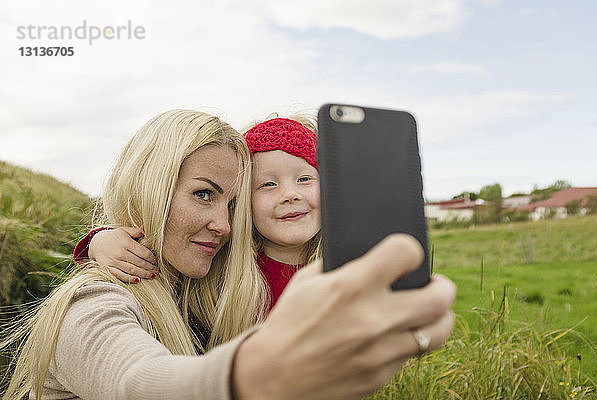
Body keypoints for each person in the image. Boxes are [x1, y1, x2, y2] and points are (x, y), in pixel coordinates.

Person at [2, 109, 456, 400]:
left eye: (233, 205)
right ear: (148, 187)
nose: (223, 224)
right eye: (203, 194)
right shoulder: (93, 306)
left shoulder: (198, 281)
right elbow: (137, 383)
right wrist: (266, 373)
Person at [77, 115, 321, 310]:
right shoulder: (225, 269)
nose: (290, 194)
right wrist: (99, 242)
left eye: (305, 178)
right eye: (268, 184)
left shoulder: (349, 258)